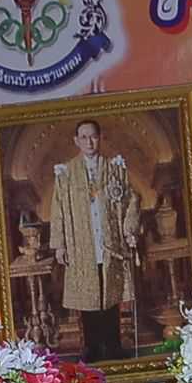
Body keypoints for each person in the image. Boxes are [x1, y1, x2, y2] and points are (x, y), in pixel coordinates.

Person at [47, 119, 139, 365]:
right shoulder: (66, 173)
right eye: (84, 137)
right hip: (81, 244)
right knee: (88, 297)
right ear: (76, 141)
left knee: (110, 294)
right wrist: (60, 244)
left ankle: (113, 345)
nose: (89, 142)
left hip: (109, 243)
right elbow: (58, 210)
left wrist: (129, 230)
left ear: (100, 138)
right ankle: (92, 347)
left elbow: (131, 200)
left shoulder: (115, 168)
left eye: (93, 136)